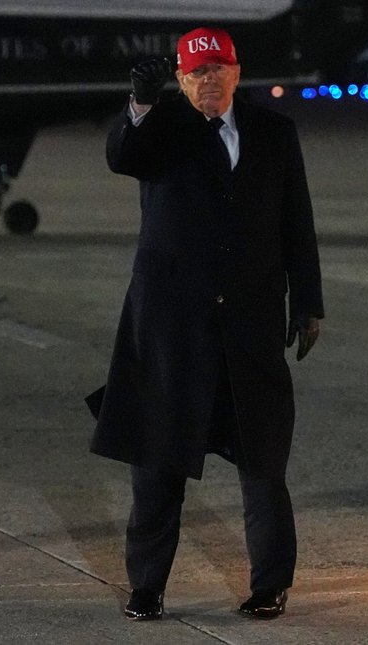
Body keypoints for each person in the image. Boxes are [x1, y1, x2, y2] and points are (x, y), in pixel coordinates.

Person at [86, 26, 324, 622]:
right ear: (181, 80)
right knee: (157, 465)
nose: (208, 80)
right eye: (195, 72)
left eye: (217, 69)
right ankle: (146, 587)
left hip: (250, 325)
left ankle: (270, 585)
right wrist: (141, 103)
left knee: (263, 464)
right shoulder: (161, 128)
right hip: (171, 328)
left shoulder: (274, 132)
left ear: (237, 73)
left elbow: (296, 219)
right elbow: (121, 156)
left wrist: (308, 301)